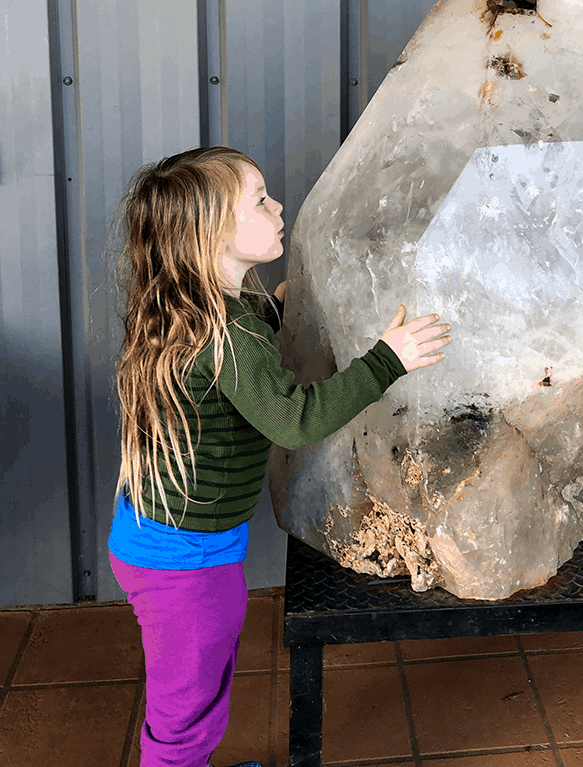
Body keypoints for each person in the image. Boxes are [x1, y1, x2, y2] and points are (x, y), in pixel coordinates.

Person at [108, 146, 451, 767]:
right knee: (184, 711)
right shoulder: (230, 337)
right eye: (260, 200)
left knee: (204, 681)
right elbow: (296, 420)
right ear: (211, 234)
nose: (278, 205)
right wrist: (386, 360)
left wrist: (275, 309)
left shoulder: (192, 308)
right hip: (184, 560)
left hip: (168, 543)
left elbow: (233, 361)